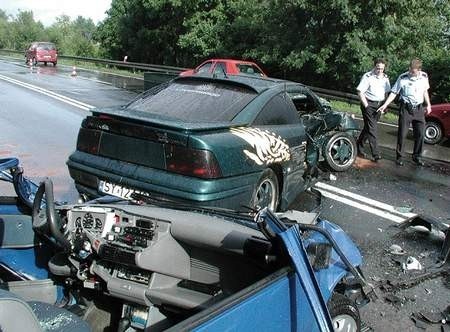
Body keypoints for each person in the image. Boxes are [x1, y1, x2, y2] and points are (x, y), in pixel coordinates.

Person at [377, 58, 432, 166]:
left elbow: (425, 91)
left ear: (419, 70)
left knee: (420, 134)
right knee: (402, 133)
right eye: (410, 70)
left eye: (414, 71)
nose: (411, 73)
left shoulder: (424, 77)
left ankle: (417, 157)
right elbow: (394, 93)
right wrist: (385, 104)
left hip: (419, 109)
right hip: (406, 108)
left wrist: (429, 104)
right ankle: (400, 157)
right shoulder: (402, 77)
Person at [356, 58, 391, 161]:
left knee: (368, 128)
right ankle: (376, 154)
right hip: (368, 104)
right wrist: (366, 106)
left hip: (379, 105)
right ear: (374, 66)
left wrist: (385, 105)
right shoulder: (367, 76)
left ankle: (359, 146)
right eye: (378, 68)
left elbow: (387, 92)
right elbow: (360, 91)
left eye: (382, 69)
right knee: (373, 128)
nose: (379, 71)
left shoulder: (385, 78)